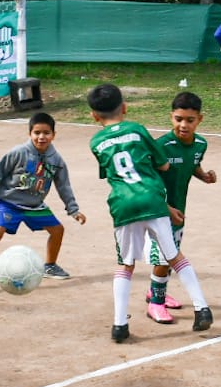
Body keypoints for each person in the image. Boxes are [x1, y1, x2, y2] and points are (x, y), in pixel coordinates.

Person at [88, 83, 212, 342]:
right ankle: (202, 308)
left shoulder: (96, 141)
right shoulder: (138, 130)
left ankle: (120, 325)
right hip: (154, 202)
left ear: (93, 115)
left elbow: (110, 172)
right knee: (175, 257)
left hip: (123, 204)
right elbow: (164, 165)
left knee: (126, 265)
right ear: (124, 107)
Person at [0, 111, 85, 290]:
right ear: (30, 134)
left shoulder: (56, 160)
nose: (41, 137)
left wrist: (73, 210)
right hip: (9, 203)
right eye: (37, 133)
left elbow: (64, 186)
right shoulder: (17, 153)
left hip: (35, 206)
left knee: (58, 230)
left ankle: (50, 266)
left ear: (54, 135)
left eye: (46, 133)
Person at [144, 92, 217, 327]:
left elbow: (192, 163)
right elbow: (147, 181)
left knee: (170, 252)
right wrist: (165, 207)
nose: (183, 125)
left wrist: (204, 176)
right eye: (178, 119)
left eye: (189, 120)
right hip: (157, 210)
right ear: (171, 117)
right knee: (167, 255)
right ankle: (155, 302)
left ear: (200, 119)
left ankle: (157, 291)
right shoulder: (161, 146)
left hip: (179, 211)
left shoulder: (200, 145)